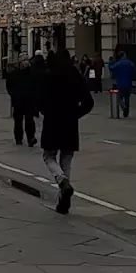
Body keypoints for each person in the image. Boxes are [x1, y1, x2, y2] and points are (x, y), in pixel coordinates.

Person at [38, 49, 93, 214]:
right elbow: (88, 102)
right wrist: (76, 114)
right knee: (66, 159)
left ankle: (62, 182)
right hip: (70, 123)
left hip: (52, 122)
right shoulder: (75, 75)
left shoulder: (49, 75)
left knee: (48, 156)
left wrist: (46, 110)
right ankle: (63, 200)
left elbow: (40, 99)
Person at [6, 55, 38, 147]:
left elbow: (36, 86)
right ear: (20, 63)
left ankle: (31, 138)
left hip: (29, 101)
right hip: (18, 101)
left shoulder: (32, 73)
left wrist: (35, 98)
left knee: (29, 121)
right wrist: (14, 95)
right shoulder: (14, 74)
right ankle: (18, 138)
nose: (26, 63)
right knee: (18, 121)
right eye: (24, 61)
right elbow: (9, 86)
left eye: (27, 60)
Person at [108, 48, 136, 118]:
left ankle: (124, 107)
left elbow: (111, 68)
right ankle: (126, 112)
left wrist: (111, 62)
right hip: (128, 83)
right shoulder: (130, 63)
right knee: (127, 98)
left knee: (119, 98)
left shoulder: (119, 63)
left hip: (120, 83)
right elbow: (135, 71)